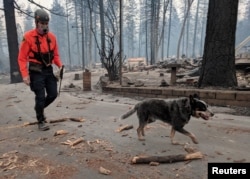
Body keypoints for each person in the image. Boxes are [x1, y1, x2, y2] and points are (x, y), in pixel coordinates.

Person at [18, 9, 64, 131]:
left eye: (46, 24)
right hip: (35, 70)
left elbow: (56, 56)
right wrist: (24, 75)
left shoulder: (52, 38)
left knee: (53, 94)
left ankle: (39, 108)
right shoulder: (28, 37)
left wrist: (60, 65)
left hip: (48, 69)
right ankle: (41, 120)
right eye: (42, 24)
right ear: (36, 22)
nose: (44, 26)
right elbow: (22, 58)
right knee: (40, 96)